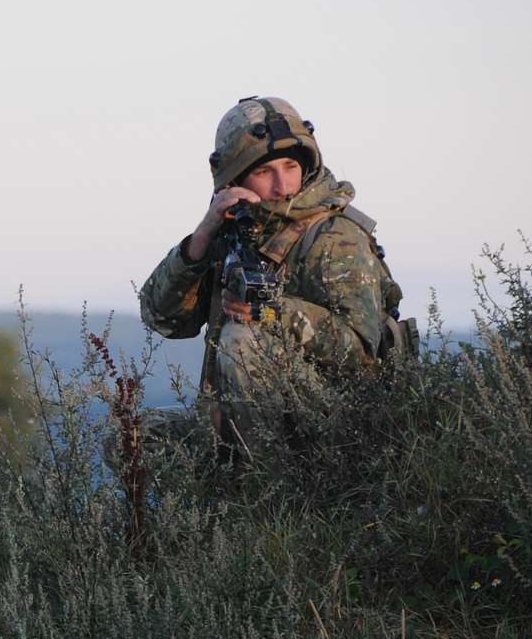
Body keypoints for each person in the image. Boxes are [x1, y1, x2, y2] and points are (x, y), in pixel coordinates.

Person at [139, 96, 410, 448]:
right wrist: (202, 237)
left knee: (241, 340)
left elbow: (361, 356)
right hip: (238, 422)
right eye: (263, 172)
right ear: (235, 179)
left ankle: (268, 493)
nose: (283, 186)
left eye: (290, 167)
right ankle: (232, 477)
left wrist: (272, 311)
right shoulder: (233, 228)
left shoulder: (335, 236)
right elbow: (163, 318)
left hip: (332, 429)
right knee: (134, 438)